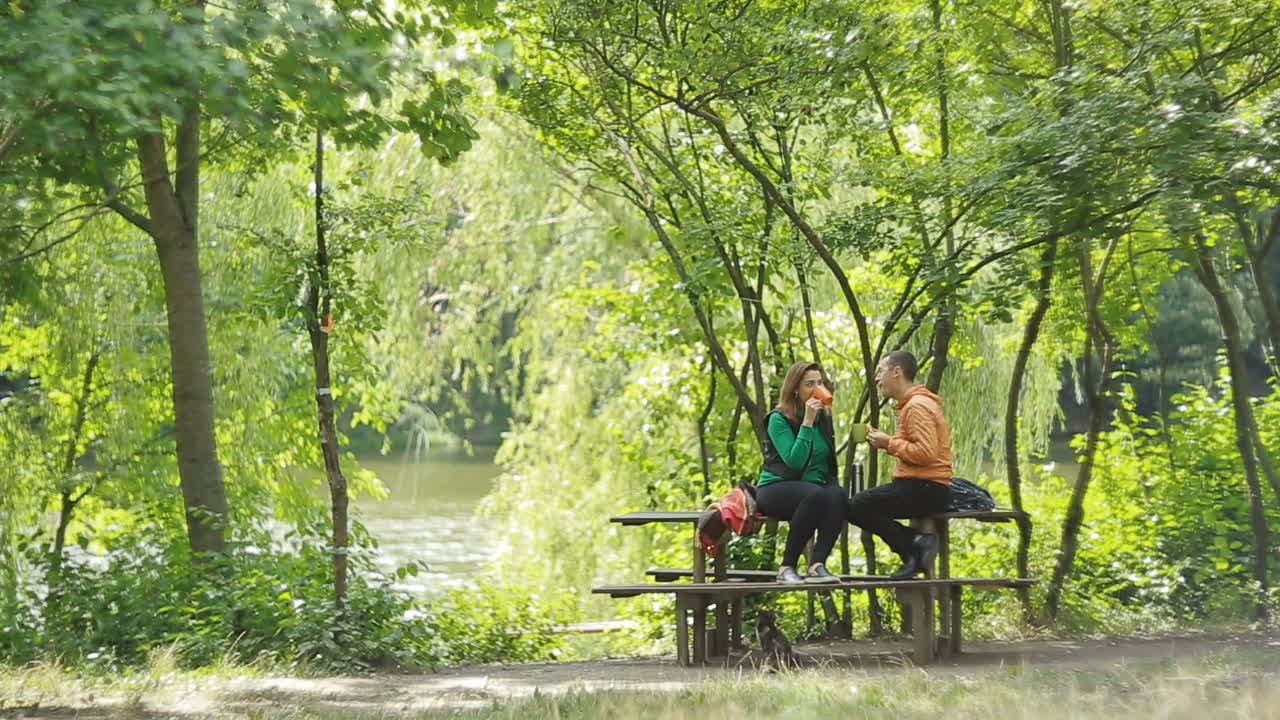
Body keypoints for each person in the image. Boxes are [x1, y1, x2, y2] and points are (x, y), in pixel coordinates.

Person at [851, 351, 953, 580]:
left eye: (880, 371)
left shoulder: (916, 406)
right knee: (860, 505)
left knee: (858, 505)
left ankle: (916, 543)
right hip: (924, 486)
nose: (877, 379)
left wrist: (888, 442)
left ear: (896, 372)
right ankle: (913, 555)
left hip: (928, 487)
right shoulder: (912, 405)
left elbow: (926, 454)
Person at [757, 362, 846, 584]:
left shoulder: (824, 418)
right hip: (775, 487)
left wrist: (831, 486)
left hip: (814, 489)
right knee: (816, 494)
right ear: (795, 389)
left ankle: (817, 565)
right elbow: (794, 462)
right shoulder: (778, 419)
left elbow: (826, 460)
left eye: (820, 383)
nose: (817, 388)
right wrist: (807, 421)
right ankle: (787, 567)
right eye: (809, 384)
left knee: (839, 495)